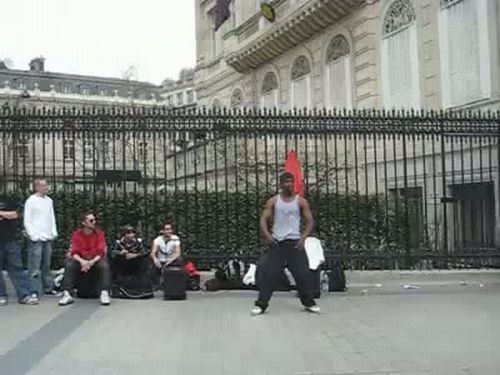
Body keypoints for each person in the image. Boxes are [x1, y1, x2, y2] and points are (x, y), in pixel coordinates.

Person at [251, 172, 320, 315]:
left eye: (291, 182)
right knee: (271, 274)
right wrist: (268, 237)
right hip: (278, 243)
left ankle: (309, 302)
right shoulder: (274, 201)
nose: (289, 185)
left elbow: (310, 220)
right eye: (286, 182)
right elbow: (263, 219)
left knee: (302, 274)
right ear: (281, 184)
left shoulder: (300, 201)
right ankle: (261, 304)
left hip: (295, 243)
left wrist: (303, 238)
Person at [58, 211, 111, 306]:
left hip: (95, 259)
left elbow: (101, 252)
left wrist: (90, 262)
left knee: (104, 265)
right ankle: (67, 293)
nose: (94, 222)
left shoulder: (99, 234)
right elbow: (74, 252)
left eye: (95, 220)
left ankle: (104, 292)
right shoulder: (77, 234)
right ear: (84, 223)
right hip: (81, 259)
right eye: (91, 220)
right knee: (69, 264)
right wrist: (82, 262)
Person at [0, 196, 38, 306]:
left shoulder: (6, 200)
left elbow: (15, 214)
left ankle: (25, 295)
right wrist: (5, 215)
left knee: (17, 268)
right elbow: (10, 215)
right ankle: (1, 295)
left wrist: (2, 214)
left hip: (10, 239)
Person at [24, 179, 58, 297]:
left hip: (47, 236)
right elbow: (27, 219)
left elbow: (51, 217)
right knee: (34, 266)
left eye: (46, 185)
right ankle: (32, 290)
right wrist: (33, 235)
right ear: (37, 187)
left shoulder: (49, 201)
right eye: (42, 185)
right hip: (37, 238)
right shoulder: (31, 201)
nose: (45, 187)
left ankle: (48, 287)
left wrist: (53, 232)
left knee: (47, 265)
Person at [150, 221, 182, 285]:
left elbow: (178, 253)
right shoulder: (157, 240)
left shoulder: (175, 238)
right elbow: (152, 252)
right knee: (152, 265)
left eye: (170, 229)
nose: (169, 231)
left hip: (172, 261)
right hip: (161, 261)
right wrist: (155, 259)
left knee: (179, 261)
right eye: (167, 229)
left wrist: (170, 260)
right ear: (162, 231)